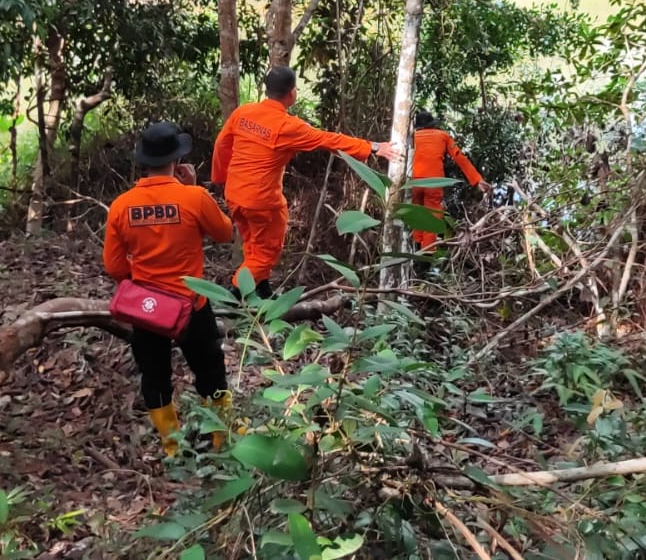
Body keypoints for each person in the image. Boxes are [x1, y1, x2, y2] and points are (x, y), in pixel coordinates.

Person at [103, 121, 235, 458]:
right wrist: (193, 189)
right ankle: (220, 439)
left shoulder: (121, 205)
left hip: (146, 310)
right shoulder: (193, 197)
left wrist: (143, 282)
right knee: (210, 371)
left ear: (143, 161)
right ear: (177, 160)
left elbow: (115, 267)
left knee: (155, 377)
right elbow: (225, 234)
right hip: (192, 305)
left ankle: (173, 446)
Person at [211, 66, 394, 298]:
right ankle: (235, 293)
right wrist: (374, 147)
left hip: (235, 194)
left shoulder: (243, 113)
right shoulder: (288, 127)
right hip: (262, 201)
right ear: (291, 93)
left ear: (267, 90)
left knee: (253, 244)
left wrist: (220, 177)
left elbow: (222, 144)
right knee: (266, 252)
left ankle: (262, 289)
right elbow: (330, 140)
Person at [409, 109, 491, 252]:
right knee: (432, 217)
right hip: (434, 183)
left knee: (416, 213)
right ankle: (427, 254)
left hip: (413, 182)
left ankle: (415, 248)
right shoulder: (443, 136)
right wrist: (477, 179)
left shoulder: (411, 137)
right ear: (433, 125)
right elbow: (460, 158)